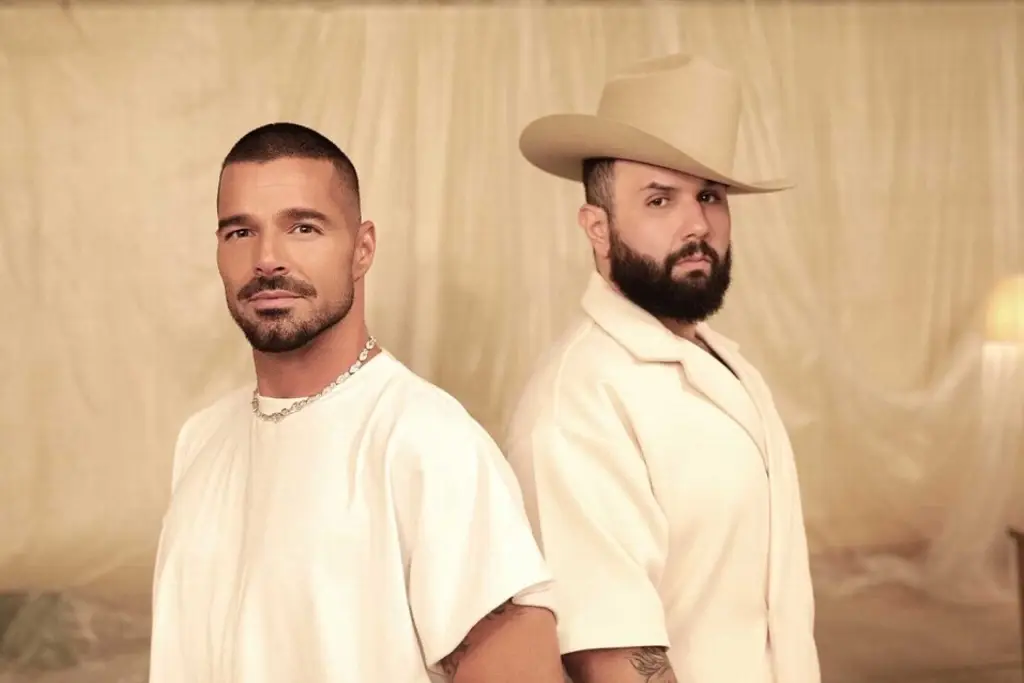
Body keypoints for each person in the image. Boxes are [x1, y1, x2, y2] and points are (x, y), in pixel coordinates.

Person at [148, 122, 564, 683]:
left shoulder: (429, 442)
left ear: (362, 249)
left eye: (303, 227)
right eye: (240, 232)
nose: (267, 259)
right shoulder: (201, 439)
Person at [504, 53, 821, 683]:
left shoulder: (724, 360)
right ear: (597, 227)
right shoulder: (579, 404)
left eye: (709, 196)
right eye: (659, 199)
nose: (697, 223)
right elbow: (613, 652)